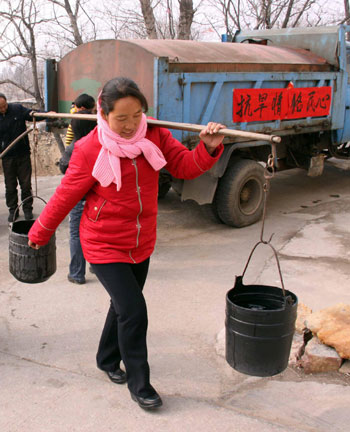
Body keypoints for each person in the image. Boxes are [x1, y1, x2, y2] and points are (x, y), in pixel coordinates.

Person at [27, 77, 225, 410]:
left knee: (122, 307)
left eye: (137, 115)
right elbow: (65, 196)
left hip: (141, 241)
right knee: (134, 311)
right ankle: (140, 383)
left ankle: (106, 359)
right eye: (122, 118)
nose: (131, 125)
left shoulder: (156, 135)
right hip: (103, 244)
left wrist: (207, 147)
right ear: (103, 114)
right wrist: (39, 233)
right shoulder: (89, 148)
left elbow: (186, 167)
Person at [61, 93, 97, 284]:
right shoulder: (100, 147)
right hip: (96, 200)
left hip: (78, 199)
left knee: (76, 234)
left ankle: (77, 274)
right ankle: (97, 267)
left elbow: (64, 168)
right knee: (95, 233)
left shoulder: (73, 148)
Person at [0, 93, 39, 222]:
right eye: (0, 108)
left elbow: (32, 114)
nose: (3, 109)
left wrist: (45, 114)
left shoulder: (17, 109)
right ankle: (13, 210)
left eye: (4, 106)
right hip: (7, 157)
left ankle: (28, 209)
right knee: (10, 186)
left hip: (23, 154)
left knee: (26, 184)